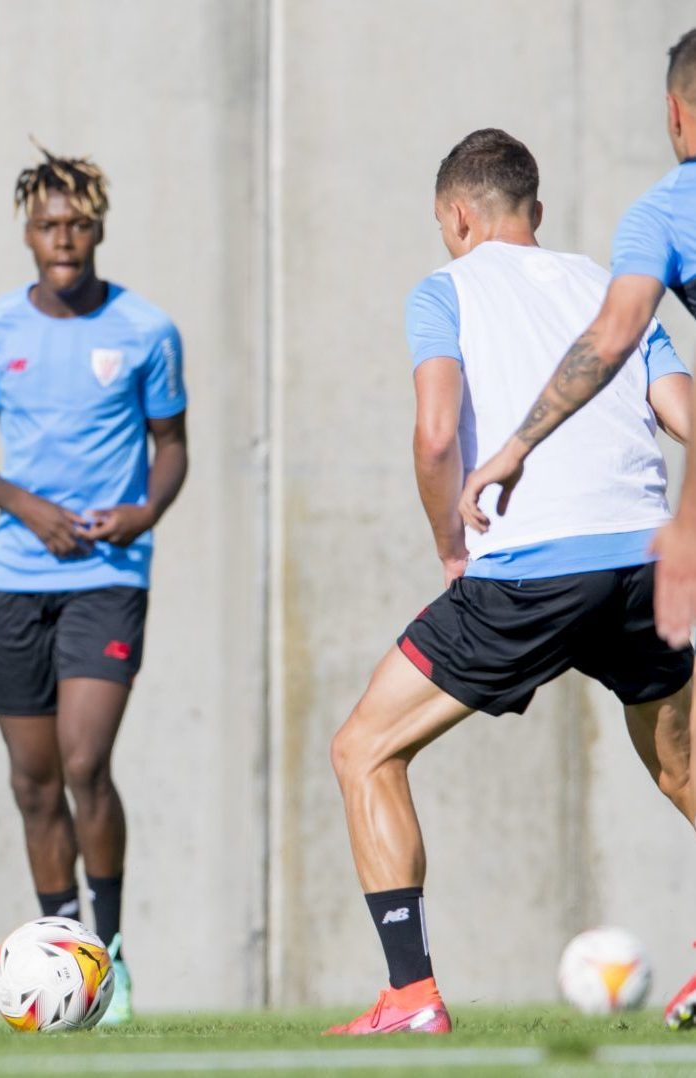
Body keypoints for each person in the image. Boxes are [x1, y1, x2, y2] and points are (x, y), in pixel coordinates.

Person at [326, 129, 693, 1037]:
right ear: (537, 210)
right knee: (681, 766)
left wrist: (451, 546)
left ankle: (410, 996)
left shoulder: (443, 290)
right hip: (642, 564)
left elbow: (435, 436)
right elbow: (683, 413)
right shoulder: (615, 287)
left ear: (457, 216)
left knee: (364, 750)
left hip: (530, 571)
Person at [0, 143, 188, 1026]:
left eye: (78, 225)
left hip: (109, 576)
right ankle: (64, 952)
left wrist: (143, 512)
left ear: (98, 230)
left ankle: (111, 956)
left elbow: (173, 446)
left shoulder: (147, 330)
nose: (63, 239)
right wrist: (27, 506)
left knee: (86, 762)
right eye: (48, 224)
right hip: (16, 577)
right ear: (28, 231)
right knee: (33, 782)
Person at [459, 29, 696, 651]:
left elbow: (613, 338)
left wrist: (516, 448)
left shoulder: (663, 216)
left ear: (674, 112)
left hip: (544, 563)